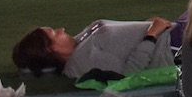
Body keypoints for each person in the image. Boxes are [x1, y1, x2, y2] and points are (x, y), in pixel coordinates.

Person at [13, 16, 180, 79]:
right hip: (170, 45)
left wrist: (147, 24)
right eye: (55, 34)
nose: (61, 30)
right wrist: (151, 35)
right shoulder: (83, 60)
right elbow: (128, 73)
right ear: (51, 50)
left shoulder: (78, 43)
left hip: (169, 31)